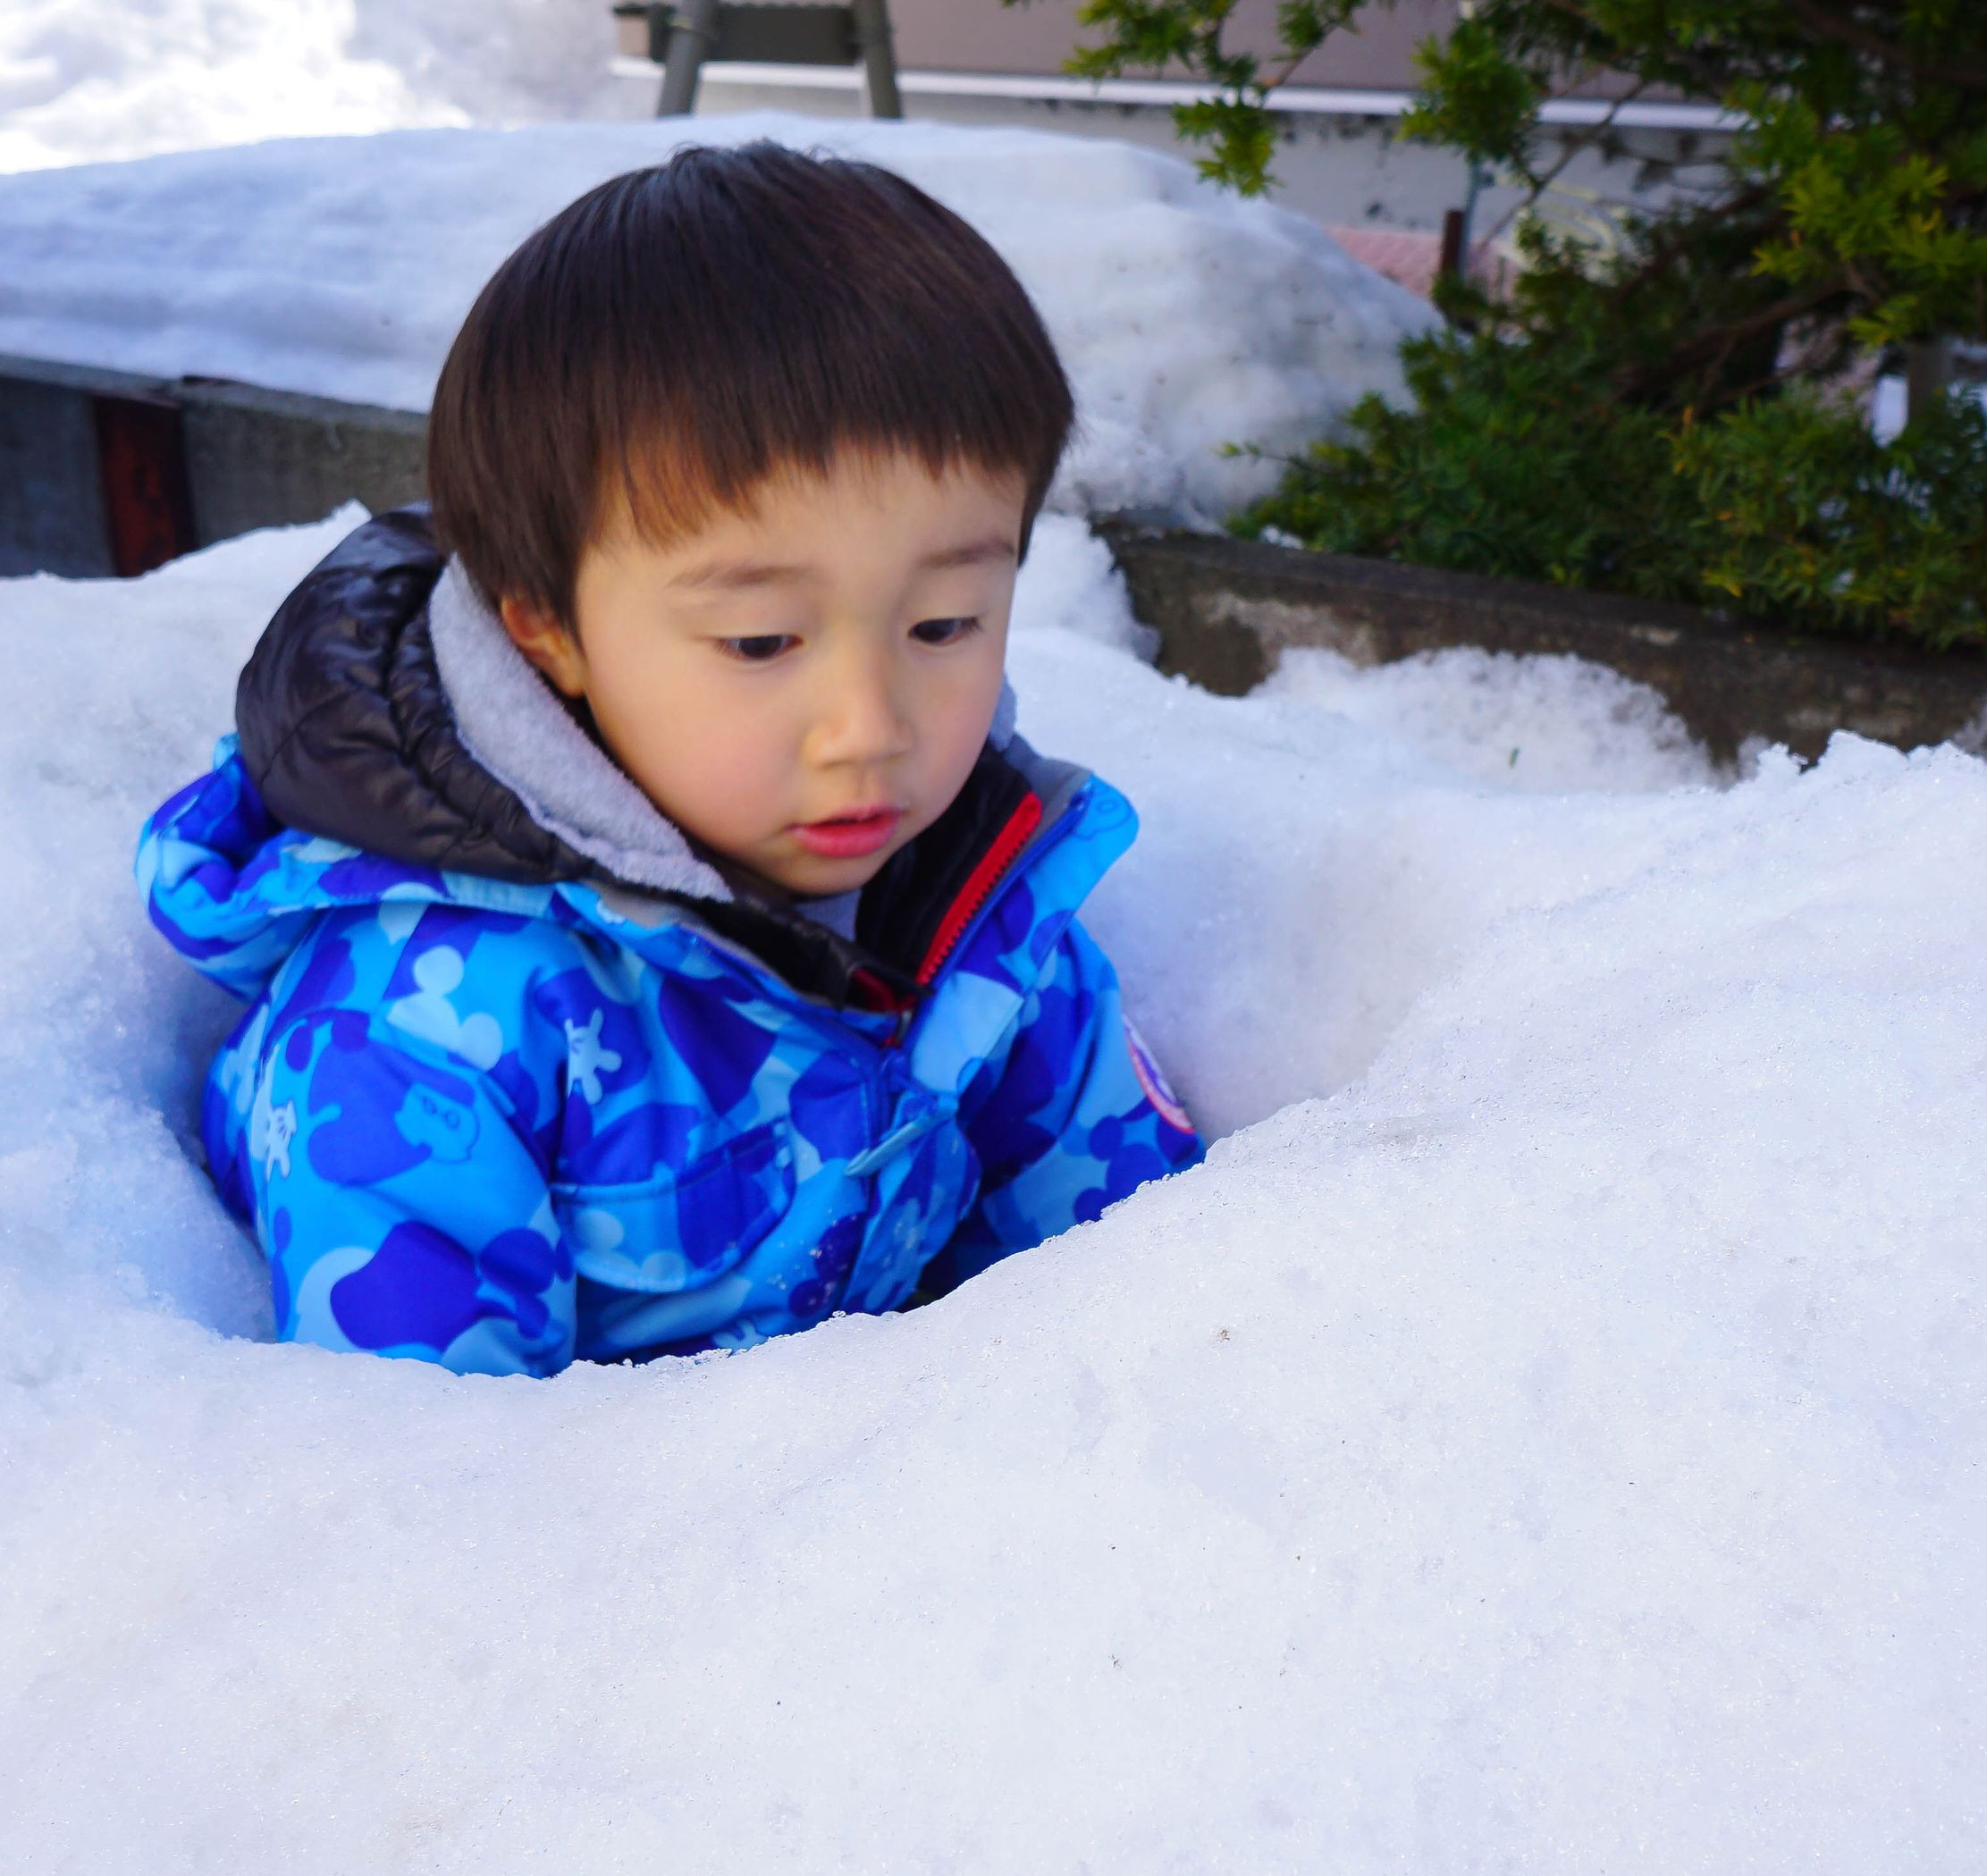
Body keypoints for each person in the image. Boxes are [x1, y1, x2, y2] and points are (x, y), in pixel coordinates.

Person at [135, 143, 1202, 1375]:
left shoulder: (988, 927)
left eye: (944, 625)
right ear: (548, 628)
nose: (870, 725)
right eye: (760, 640)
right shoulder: (423, 1031)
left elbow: (1158, 1282)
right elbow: (423, 1457)